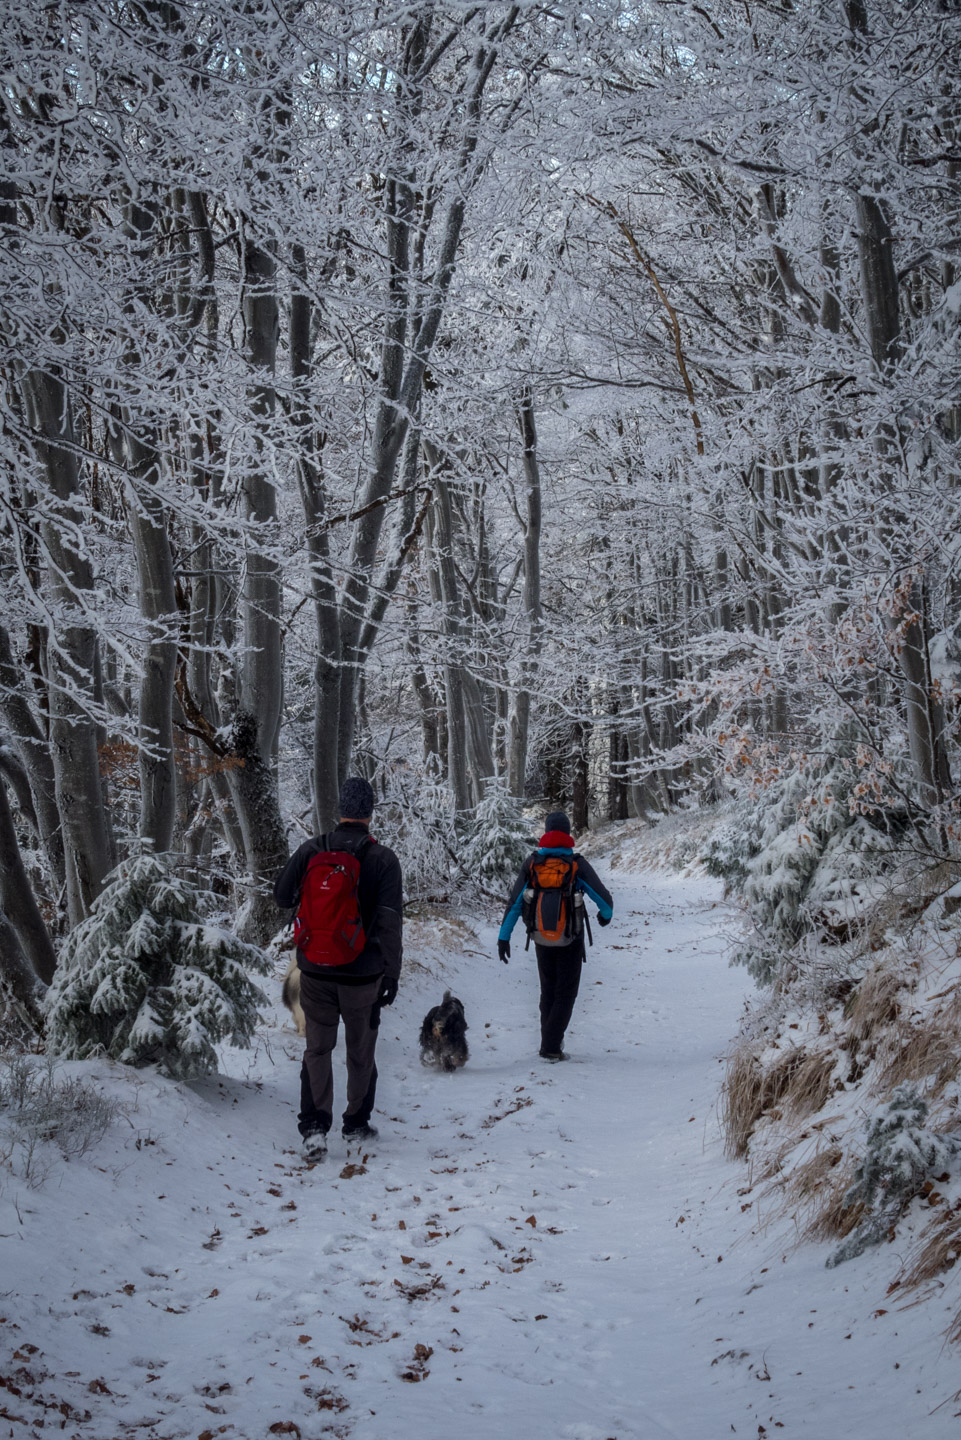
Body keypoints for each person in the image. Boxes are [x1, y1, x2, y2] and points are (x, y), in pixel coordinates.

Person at [274, 777, 403, 1161]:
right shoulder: (383, 859)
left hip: (314, 970)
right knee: (360, 1051)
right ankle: (356, 1125)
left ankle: (314, 1129)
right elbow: (390, 922)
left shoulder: (312, 848)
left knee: (317, 1048)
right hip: (364, 975)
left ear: (340, 809)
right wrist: (392, 973)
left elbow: (281, 896)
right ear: (370, 811)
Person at [497, 810, 613, 1062]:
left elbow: (515, 903)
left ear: (547, 833)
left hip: (541, 937)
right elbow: (605, 900)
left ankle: (549, 1042)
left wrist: (503, 938)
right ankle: (550, 1046)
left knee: (547, 990)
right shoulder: (576, 865)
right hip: (571, 938)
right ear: (567, 833)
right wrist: (605, 917)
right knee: (566, 993)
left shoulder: (533, 863)